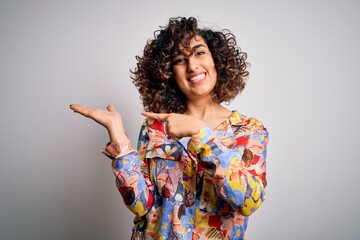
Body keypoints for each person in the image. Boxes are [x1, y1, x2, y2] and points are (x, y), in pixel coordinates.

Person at [70, 17, 269, 240]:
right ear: (168, 72)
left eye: (199, 53)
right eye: (180, 60)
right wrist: (118, 135)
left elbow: (249, 201)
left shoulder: (249, 130)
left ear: (217, 61)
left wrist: (201, 135)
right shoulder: (155, 128)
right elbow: (141, 205)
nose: (192, 66)